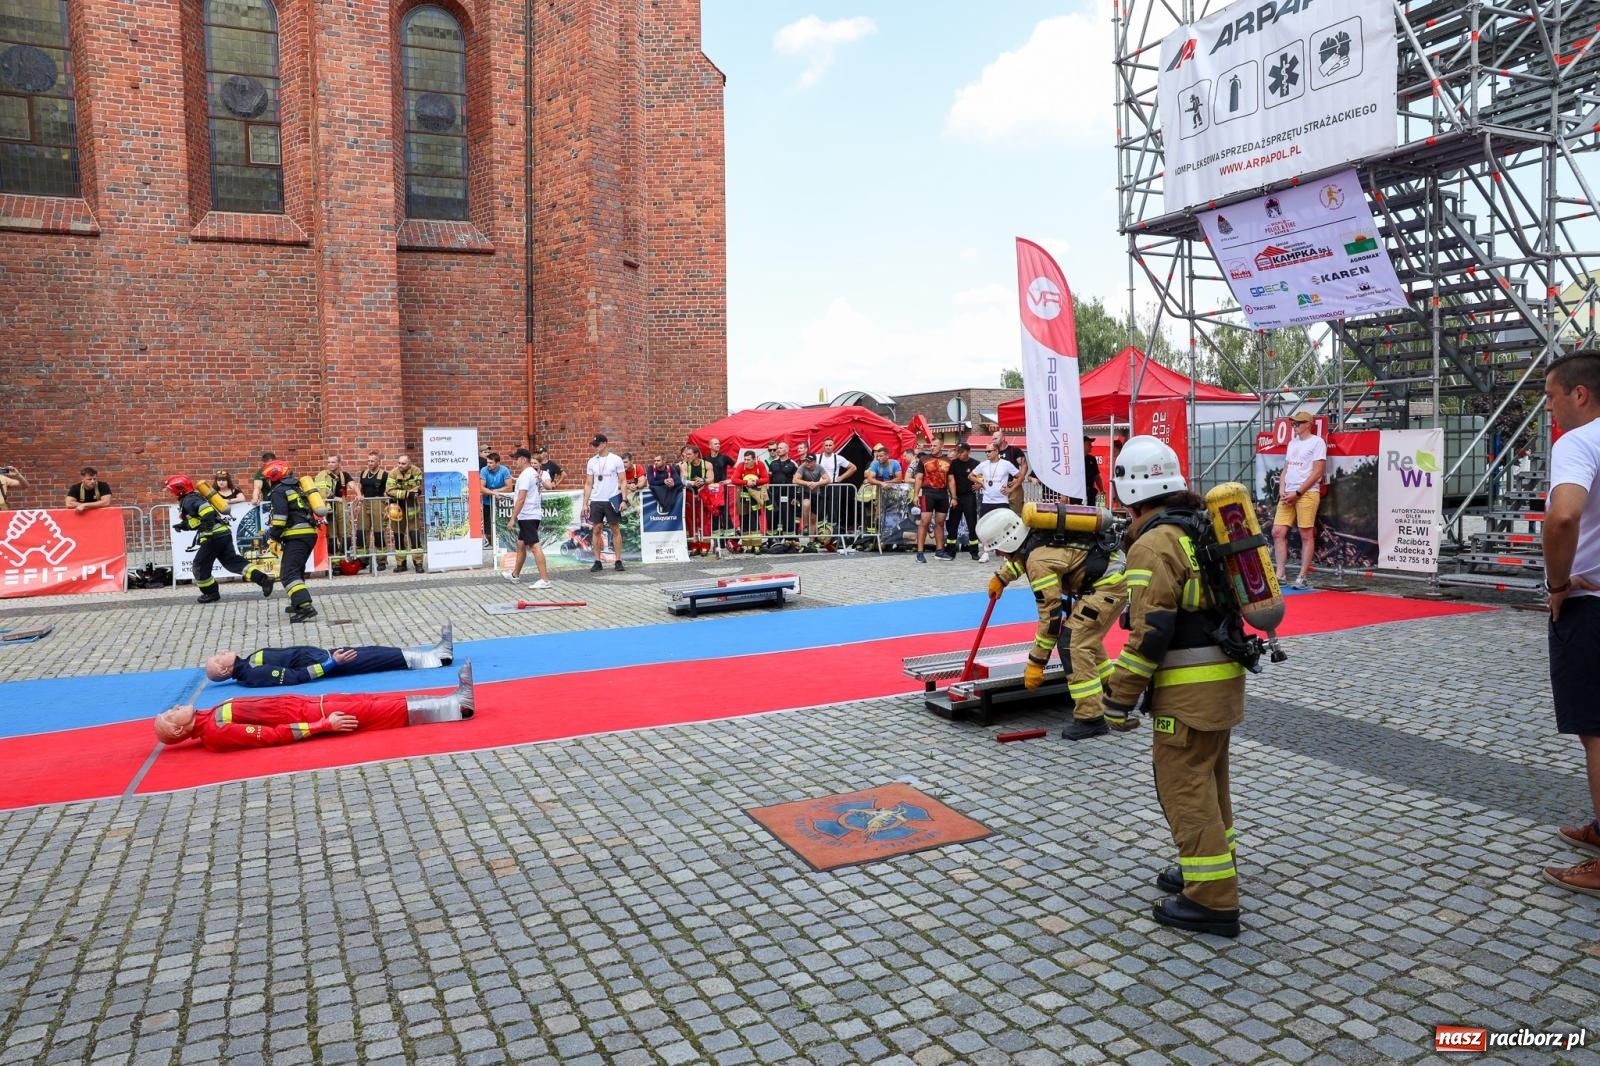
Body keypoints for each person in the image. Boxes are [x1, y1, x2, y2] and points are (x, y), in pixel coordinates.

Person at [1102, 435, 1246, 938]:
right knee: (1210, 783)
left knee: (1184, 787)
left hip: (1186, 690)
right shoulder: (1196, 527)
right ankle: (1207, 862)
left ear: (1128, 490)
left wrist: (1117, 699)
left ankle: (1212, 899)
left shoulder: (1152, 544)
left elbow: (1151, 633)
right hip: (1222, 681)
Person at [976, 507, 1127, 740]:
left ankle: (1091, 718)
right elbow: (1027, 556)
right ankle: (1116, 692)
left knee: (1072, 642)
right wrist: (1002, 577)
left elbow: (1051, 616)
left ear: (1007, 541)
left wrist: (1036, 663)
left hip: (1108, 587)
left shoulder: (1037, 562)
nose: (999, 555)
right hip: (1110, 573)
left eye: (998, 549)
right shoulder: (1035, 534)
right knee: (1084, 635)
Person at [1540, 350, 1600, 898]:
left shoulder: (1578, 442)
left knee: (1597, 732)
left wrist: (1558, 586)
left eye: (1552, 395)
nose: (1549, 406)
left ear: (1579, 394)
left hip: (1592, 606)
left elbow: (1562, 516)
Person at [154, 664, 475, 751]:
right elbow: (272, 736)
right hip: (315, 716)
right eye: (172, 714)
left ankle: (450, 700)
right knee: (384, 712)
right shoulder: (216, 732)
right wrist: (324, 726)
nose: (178, 706)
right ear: (180, 729)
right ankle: (456, 706)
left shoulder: (211, 717)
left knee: (375, 702)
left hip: (310, 705)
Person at [205, 625, 454, 686]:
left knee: (377, 652)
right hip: (330, 663)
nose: (222, 653)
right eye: (219, 659)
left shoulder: (248, 663)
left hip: (326, 657)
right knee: (380, 657)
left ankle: (434, 654)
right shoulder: (252, 673)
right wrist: (332, 663)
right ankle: (438, 658)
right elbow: (296, 676)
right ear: (225, 671)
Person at [167, 474, 277, 603]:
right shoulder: (193, 498)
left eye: (171, 489)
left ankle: (211, 593)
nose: (170, 492)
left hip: (214, 537)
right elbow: (199, 520)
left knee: (200, 566)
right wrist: (183, 526)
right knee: (232, 562)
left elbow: (207, 512)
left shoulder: (190, 500)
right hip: (223, 534)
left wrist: (207, 532)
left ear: (178, 489)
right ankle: (263, 579)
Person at [1272, 411, 1326, 590]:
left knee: (1306, 533)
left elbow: (1318, 471)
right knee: (1277, 532)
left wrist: (1299, 491)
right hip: (1288, 493)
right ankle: (1280, 573)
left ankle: (1302, 576)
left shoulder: (1317, 442)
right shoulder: (1292, 443)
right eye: (1292, 424)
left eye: (1297, 423)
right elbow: (1286, 469)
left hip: (1307, 493)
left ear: (1308, 424)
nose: (1293, 426)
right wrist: (1282, 489)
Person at [263, 460, 320, 622]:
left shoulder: (279, 491)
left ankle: (305, 606)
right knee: (297, 569)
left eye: (268, 478)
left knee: (288, 573)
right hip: (308, 534)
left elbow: (280, 519)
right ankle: (297, 602)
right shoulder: (296, 488)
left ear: (273, 478)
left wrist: (273, 536)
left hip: (297, 535)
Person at [504, 448, 553, 588]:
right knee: (520, 544)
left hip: (528, 515)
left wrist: (513, 518)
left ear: (523, 459)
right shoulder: (532, 473)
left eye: (516, 458)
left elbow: (521, 498)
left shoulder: (526, 475)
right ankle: (515, 575)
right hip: (530, 514)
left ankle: (545, 580)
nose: (515, 462)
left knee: (534, 546)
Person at [582, 434, 627, 573]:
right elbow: (589, 483)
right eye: (593, 445)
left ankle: (618, 560)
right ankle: (597, 561)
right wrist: (585, 503)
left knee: (615, 529)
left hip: (612, 498)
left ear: (604, 444)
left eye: (597, 444)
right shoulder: (591, 461)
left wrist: (624, 499)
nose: (595, 447)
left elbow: (623, 480)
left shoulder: (616, 459)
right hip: (596, 499)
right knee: (596, 529)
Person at [972, 442, 1019, 562]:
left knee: (1004, 527)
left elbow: (1019, 476)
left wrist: (1011, 488)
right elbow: (971, 475)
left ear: (997, 451)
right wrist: (981, 482)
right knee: (985, 527)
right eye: (986, 451)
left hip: (1002, 500)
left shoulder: (1006, 464)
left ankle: (1005, 553)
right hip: (987, 500)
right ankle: (986, 552)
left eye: (989, 451)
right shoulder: (983, 465)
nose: (987, 453)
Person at [386, 453, 425, 573]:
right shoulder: (393, 473)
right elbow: (389, 490)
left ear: (409, 463)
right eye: (399, 463)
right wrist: (407, 494)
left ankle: (418, 563)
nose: (400, 465)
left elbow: (417, 488)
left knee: (415, 536)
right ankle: (400, 563)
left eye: (403, 463)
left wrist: (403, 492)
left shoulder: (416, 471)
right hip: (397, 507)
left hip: (412, 507)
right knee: (398, 536)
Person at [313, 455, 355, 559]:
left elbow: (353, 485)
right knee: (331, 535)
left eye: (333, 462)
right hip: (329, 508)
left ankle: (344, 557)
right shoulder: (322, 476)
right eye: (328, 462)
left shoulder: (344, 475)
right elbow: (323, 492)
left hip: (341, 507)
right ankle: (334, 562)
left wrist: (358, 495)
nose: (330, 464)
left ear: (339, 463)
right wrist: (336, 498)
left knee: (346, 533)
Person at [946, 441, 981, 561]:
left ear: (968, 451)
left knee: (972, 524)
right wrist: (953, 498)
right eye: (957, 452)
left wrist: (979, 485)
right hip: (956, 497)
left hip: (969, 497)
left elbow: (982, 478)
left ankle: (974, 551)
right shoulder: (953, 464)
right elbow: (951, 481)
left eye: (961, 452)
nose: (959, 454)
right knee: (952, 524)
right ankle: (950, 550)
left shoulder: (975, 463)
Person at [357, 452, 390, 570]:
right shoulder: (363, 473)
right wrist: (359, 501)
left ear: (378, 462)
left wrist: (387, 509)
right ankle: (362, 559)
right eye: (368, 461)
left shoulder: (384, 475)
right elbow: (361, 489)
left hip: (378, 503)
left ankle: (381, 561)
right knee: (361, 531)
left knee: (379, 532)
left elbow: (388, 492)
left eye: (372, 461)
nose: (370, 463)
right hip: (365, 502)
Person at [793, 451, 830, 541]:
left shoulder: (819, 467)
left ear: (814, 462)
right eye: (806, 461)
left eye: (809, 461)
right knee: (806, 504)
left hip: (815, 493)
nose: (807, 463)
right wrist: (807, 483)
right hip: (805, 492)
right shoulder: (802, 467)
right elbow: (795, 480)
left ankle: (811, 541)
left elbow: (828, 479)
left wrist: (817, 483)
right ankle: (805, 526)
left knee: (813, 519)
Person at [479, 452, 513, 545]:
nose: (488, 465)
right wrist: (494, 493)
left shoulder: (504, 470)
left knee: (503, 523)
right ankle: (490, 543)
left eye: (491, 463)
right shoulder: (484, 470)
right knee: (488, 525)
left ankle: (505, 542)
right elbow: (481, 488)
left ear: (498, 463)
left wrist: (493, 491)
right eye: (487, 462)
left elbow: (509, 487)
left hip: (501, 502)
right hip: (487, 502)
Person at [994, 433, 1030, 514]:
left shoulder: (1014, 450)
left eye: (995, 438)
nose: (993, 440)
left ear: (1003, 438)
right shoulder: (994, 452)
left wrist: (1018, 479)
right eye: (993, 439)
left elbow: (1024, 466)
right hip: (999, 487)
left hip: (1014, 487)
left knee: (1016, 514)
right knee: (1000, 514)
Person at [766, 442, 798, 534]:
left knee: (787, 517)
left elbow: (797, 481)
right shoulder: (773, 463)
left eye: (780, 448)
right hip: (774, 495)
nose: (778, 450)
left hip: (788, 495)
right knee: (773, 517)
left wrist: (796, 497)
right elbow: (769, 479)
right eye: (778, 448)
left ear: (787, 450)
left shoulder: (793, 464)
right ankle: (772, 540)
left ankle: (789, 540)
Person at [1083, 437, 1105, 506]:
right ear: (1082, 445)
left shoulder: (1092, 459)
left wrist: (1102, 491)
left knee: (1092, 512)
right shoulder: (1074, 459)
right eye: (1089, 444)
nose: (1091, 446)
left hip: (1090, 492)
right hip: (1077, 493)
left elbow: (1097, 477)